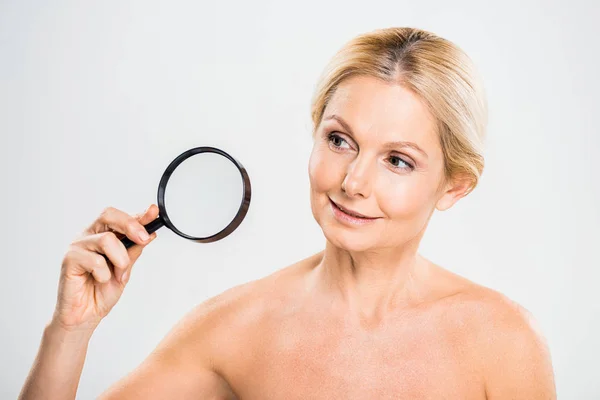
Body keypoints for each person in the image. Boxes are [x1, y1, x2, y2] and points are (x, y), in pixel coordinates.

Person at [18, 27, 556, 399]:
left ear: (454, 186)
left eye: (397, 160)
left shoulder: (503, 342)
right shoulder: (234, 329)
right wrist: (69, 331)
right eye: (340, 140)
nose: (352, 182)